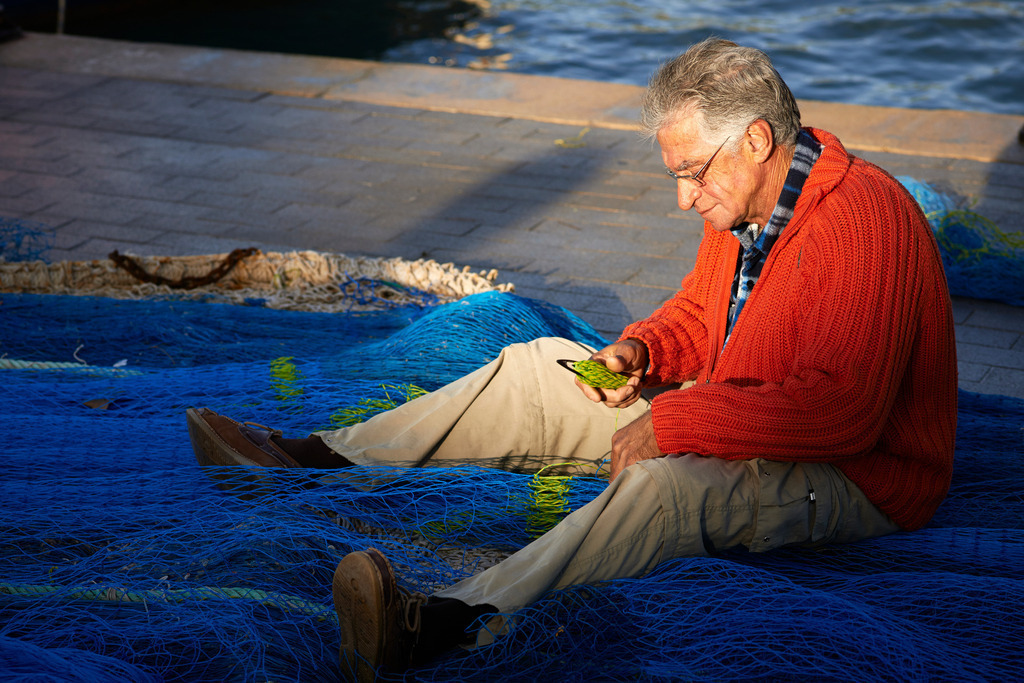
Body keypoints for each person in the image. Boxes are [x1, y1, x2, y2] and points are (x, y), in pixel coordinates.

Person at [186, 37, 957, 682]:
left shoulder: (863, 221)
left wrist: (676, 421)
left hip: (860, 475)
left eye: (692, 174)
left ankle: (442, 623)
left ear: (756, 140)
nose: (684, 200)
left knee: (666, 486)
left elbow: (838, 413)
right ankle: (313, 457)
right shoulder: (749, 200)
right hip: (741, 408)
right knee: (542, 363)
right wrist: (640, 351)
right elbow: (700, 314)